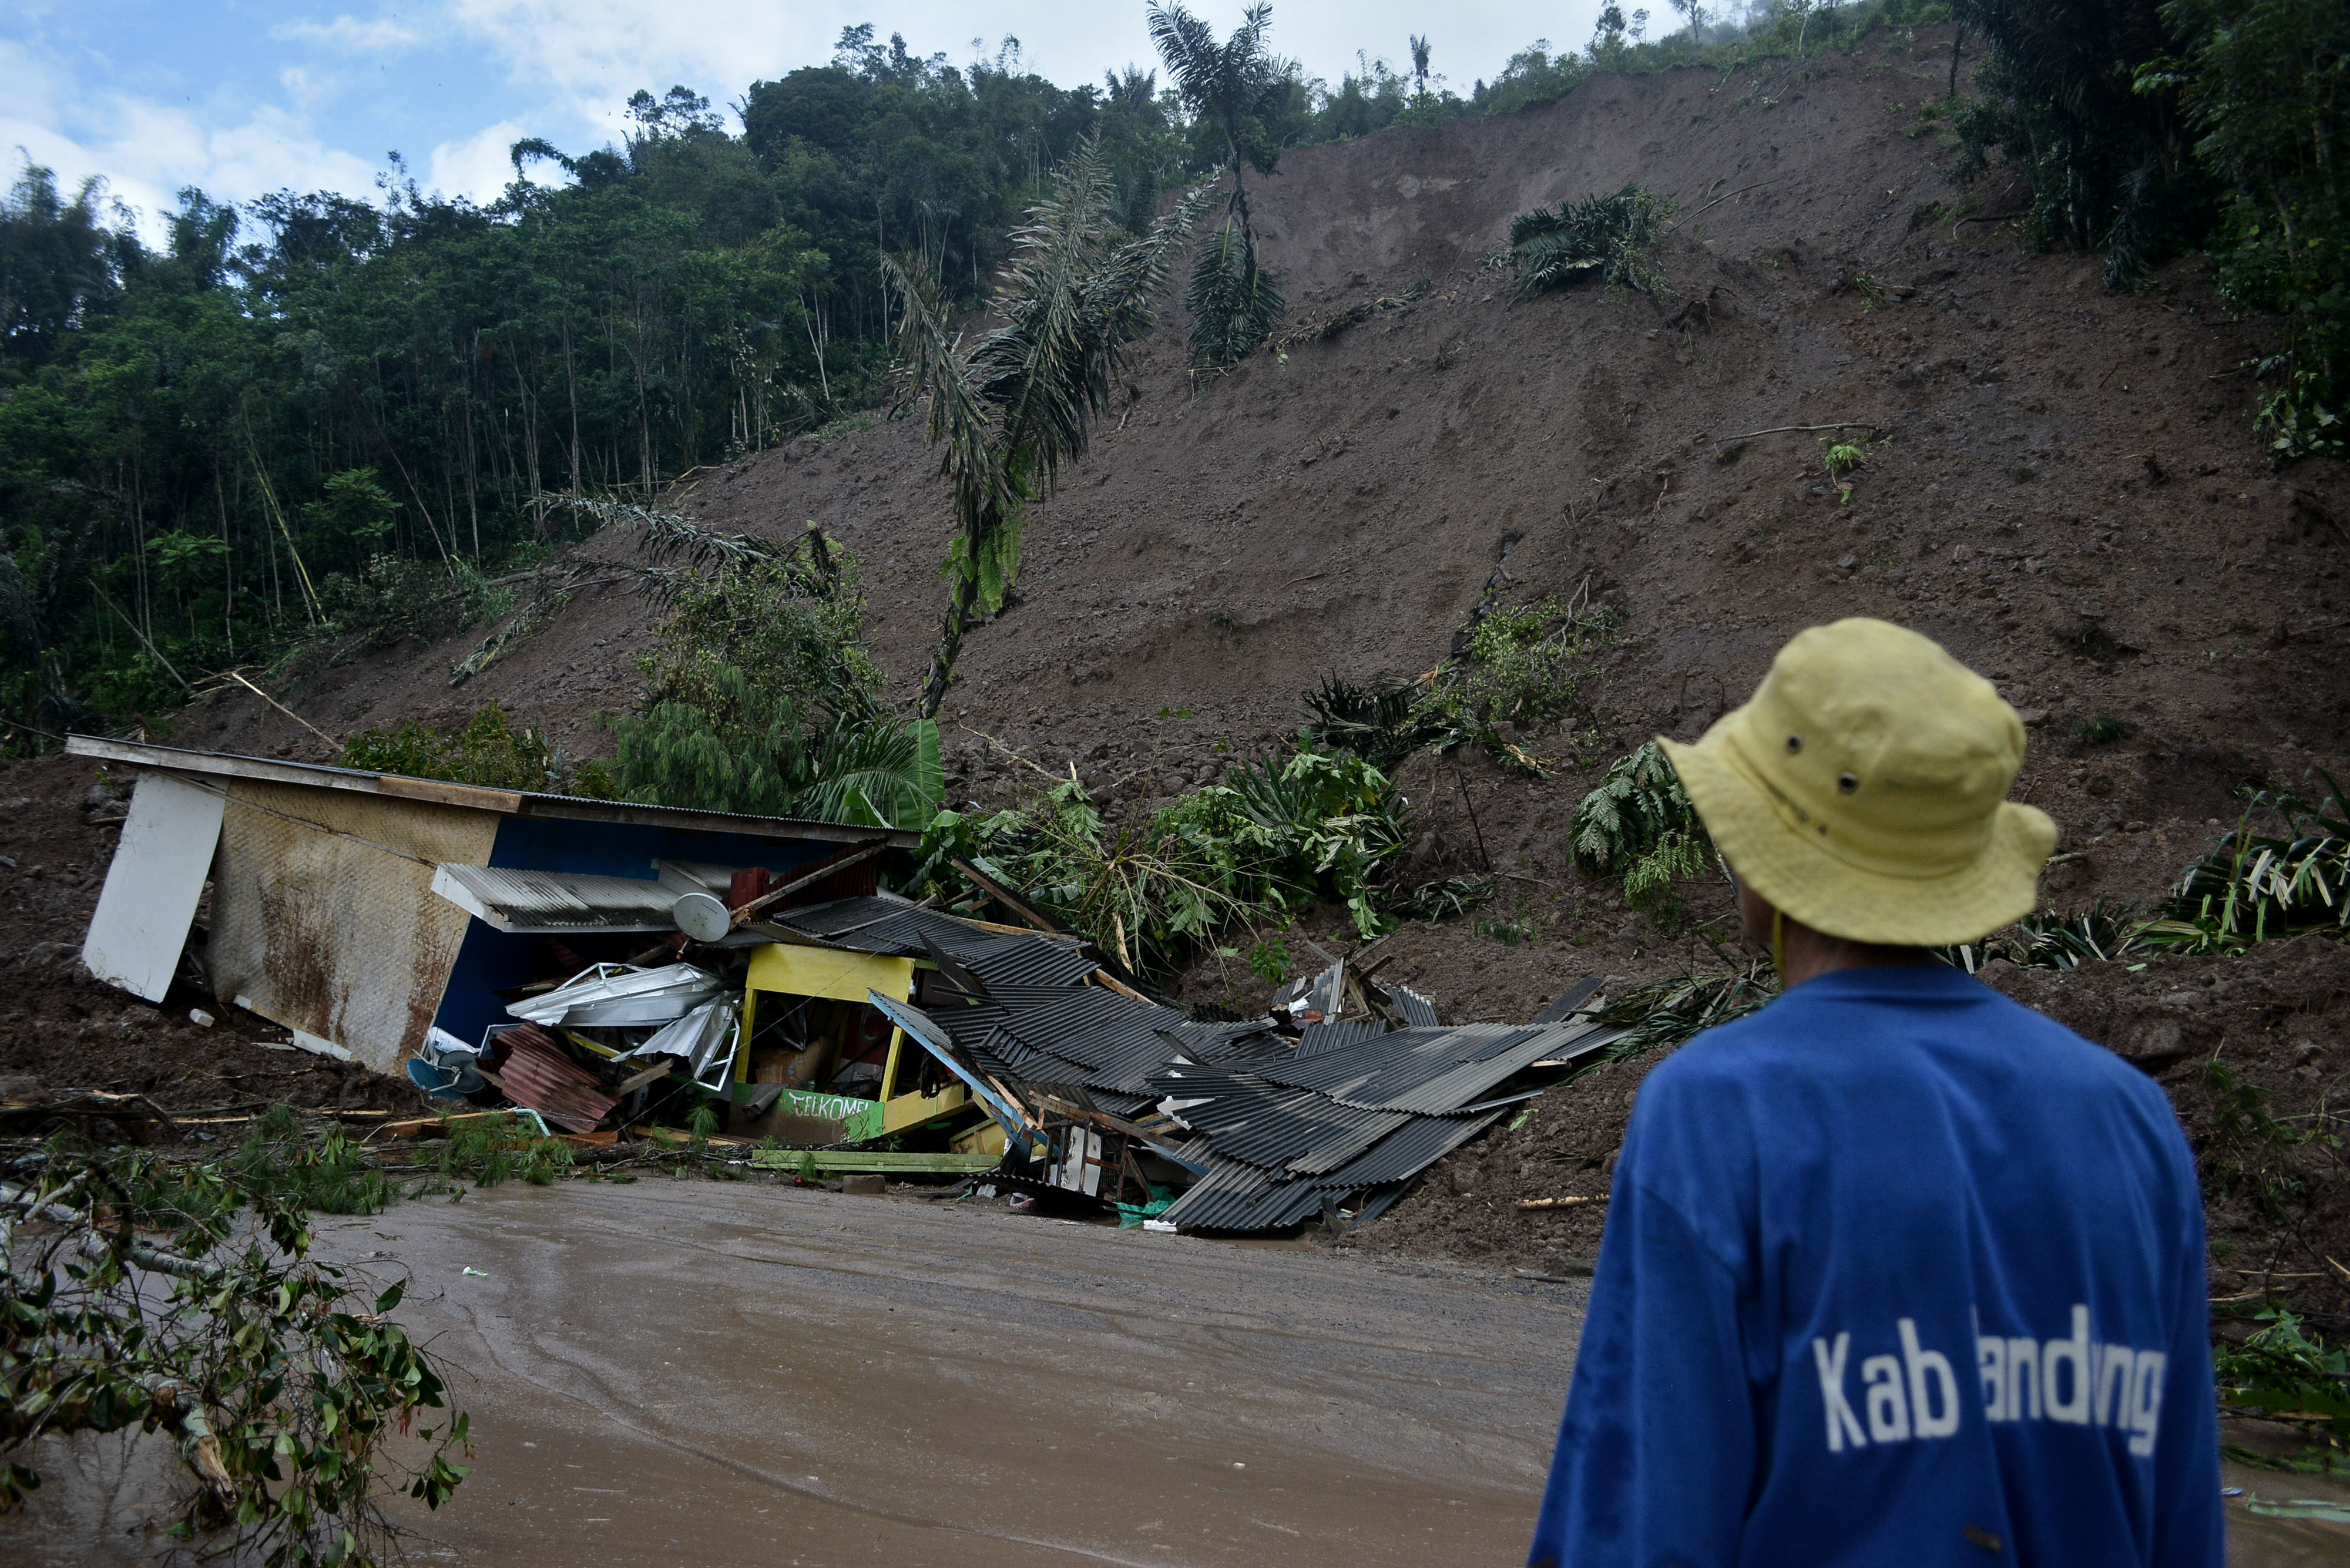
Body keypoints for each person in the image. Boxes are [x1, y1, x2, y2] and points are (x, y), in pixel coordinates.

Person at [1528, 619, 2221, 1567]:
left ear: (1766, 865)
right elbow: (2183, 1526)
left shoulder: (1716, 1114)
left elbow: (1641, 1528)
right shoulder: (2132, 1124)